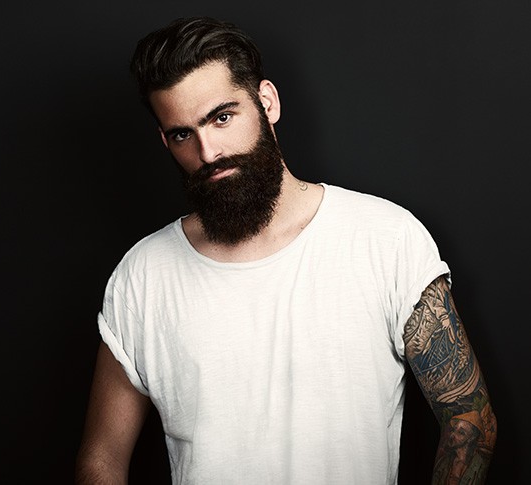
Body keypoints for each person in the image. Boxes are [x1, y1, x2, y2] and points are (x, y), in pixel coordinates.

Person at [75, 16, 497, 485]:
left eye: (222, 117)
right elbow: (101, 460)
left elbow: (469, 418)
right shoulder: (143, 275)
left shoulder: (386, 239)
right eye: (182, 134)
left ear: (267, 101)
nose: (208, 152)